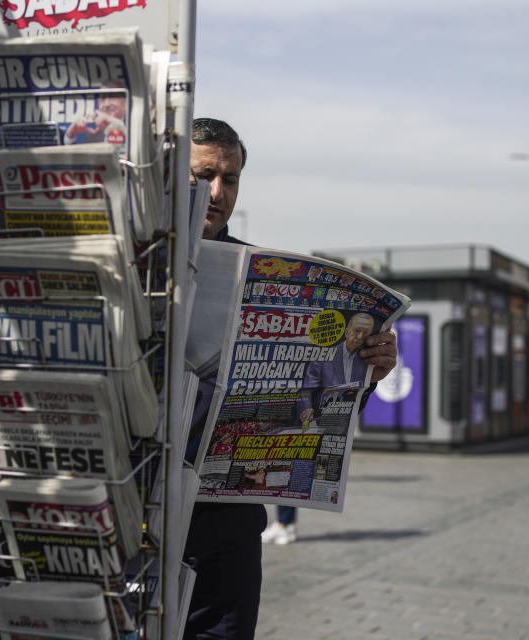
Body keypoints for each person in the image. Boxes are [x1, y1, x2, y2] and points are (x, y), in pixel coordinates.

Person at [181, 118, 399, 640]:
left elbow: (315, 419)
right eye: (202, 175)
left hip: (225, 533)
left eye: (229, 179)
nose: (216, 192)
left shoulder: (259, 271)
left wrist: (365, 374)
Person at [297, 312, 376, 425]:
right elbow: (306, 390)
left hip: (345, 424)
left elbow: (361, 397)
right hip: (319, 423)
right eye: (357, 330)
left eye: (365, 333)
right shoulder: (324, 356)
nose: (360, 337)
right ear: (347, 332)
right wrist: (306, 409)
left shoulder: (366, 359)